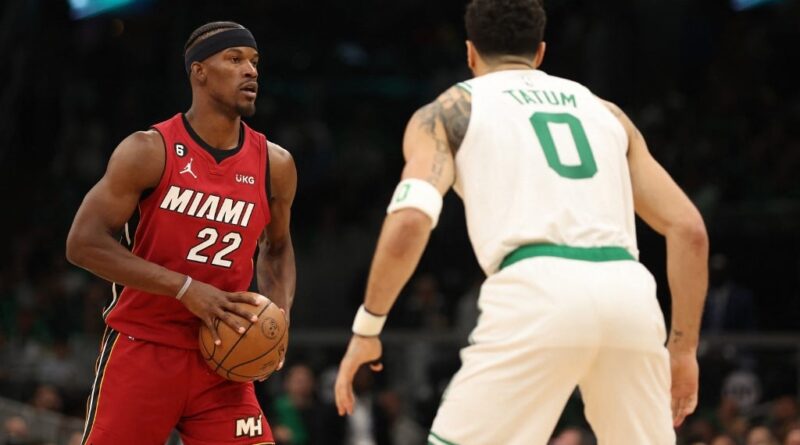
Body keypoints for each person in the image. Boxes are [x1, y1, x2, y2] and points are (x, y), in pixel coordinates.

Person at [333, 0, 708, 444]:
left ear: (470, 53)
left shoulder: (449, 110)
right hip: (631, 294)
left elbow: (410, 222)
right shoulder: (606, 113)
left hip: (536, 290)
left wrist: (368, 328)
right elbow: (690, 230)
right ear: (542, 52)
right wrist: (683, 350)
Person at [65, 21, 297, 445]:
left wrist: (278, 319)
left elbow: (277, 248)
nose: (251, 71)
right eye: (235, 59)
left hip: (224, 357)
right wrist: (186, 288)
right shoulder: (147, 150)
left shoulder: (274, 164)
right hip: (144, 346)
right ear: (199, 72)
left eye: (254, 61)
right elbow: (83, 243)